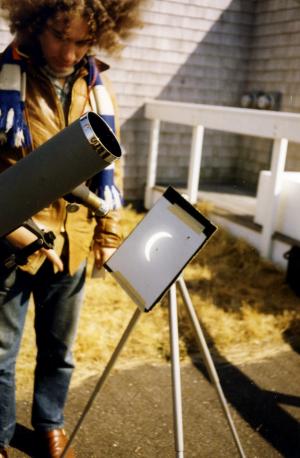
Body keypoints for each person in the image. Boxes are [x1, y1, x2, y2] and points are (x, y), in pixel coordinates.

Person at [0, 1, 145, 457]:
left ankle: (49, 424)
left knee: (59, 351)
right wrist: (14, 231)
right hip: (13, 239)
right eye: (61, 36)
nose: (69, 52)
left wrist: (107, 235)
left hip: (75, 240)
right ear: (36, 25)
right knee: (1, 354)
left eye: (83, 41)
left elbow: (110, 169)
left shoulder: (98, 89)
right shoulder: (5, 79)